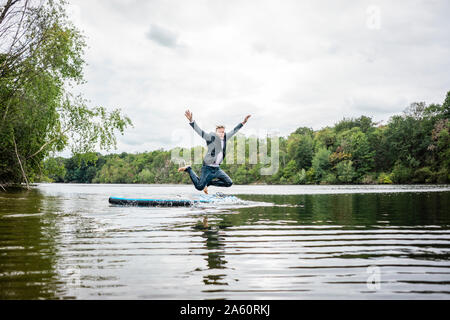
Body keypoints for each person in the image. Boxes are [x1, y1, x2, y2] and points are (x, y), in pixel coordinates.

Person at [178, 109, 251, 194]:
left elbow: (234, 130)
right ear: (216, 133)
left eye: (223, 132)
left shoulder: (225, 137)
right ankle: (189, 169)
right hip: (207, 168)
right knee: (199, 187)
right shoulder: (210, 137)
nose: (221, 134)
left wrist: (243, 122)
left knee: (229, 183)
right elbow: (199, 131)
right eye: (219, 132)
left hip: (217, 169)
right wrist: (191, 121)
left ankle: (209, 183)